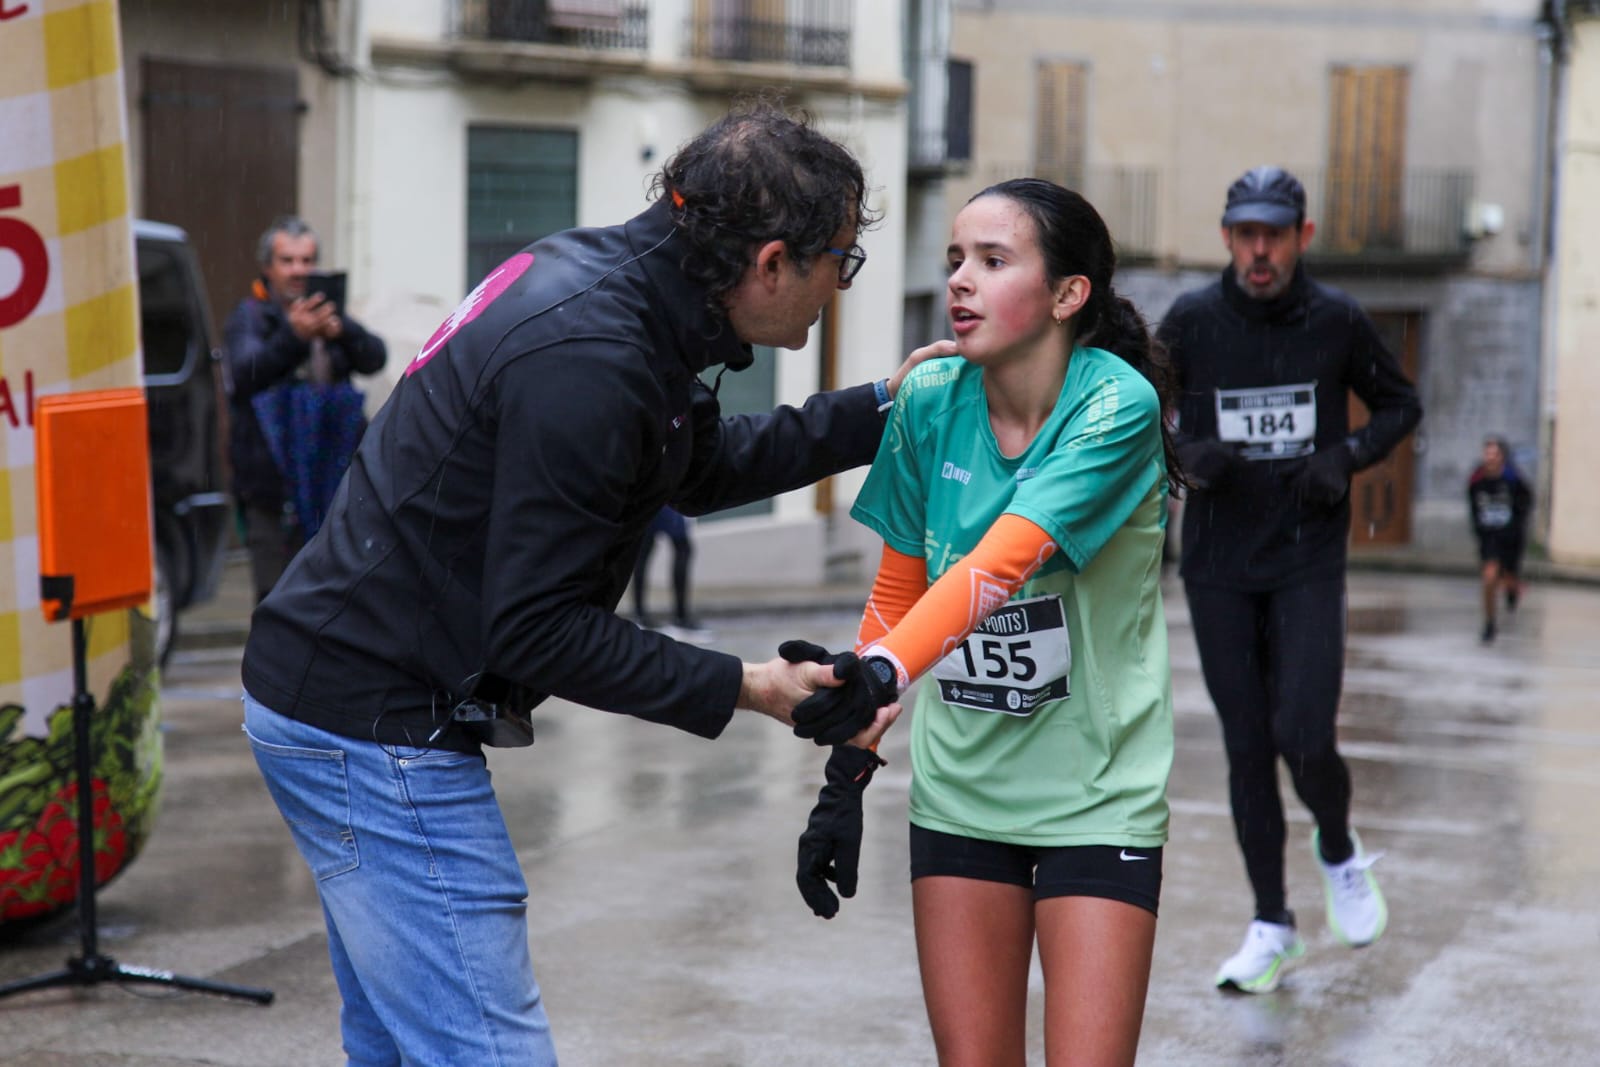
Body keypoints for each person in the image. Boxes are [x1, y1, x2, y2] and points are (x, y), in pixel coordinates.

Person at [239, 102, 920, 1066]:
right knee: (488, 1048)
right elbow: (535, 630)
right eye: (837, 263)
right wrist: (746, 684)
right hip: (373, 717)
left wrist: (885, 408)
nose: (837, 287)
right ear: (771, 262)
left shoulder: (612, 288)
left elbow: (692, 459)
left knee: (400, 1044)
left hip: (335, 686)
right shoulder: (594, 353)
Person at [786, 178, 1180, 1067]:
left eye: (993, 261)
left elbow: (1004, 559)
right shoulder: (928, 401)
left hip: (1098, 800)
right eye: (955, 259)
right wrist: (847, 770)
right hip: (962, 794)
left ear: (1068, 294)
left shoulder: (1115, 407)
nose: (960, 279)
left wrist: (886, 669)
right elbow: (895, 598)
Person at [1158, 166, 1423, 993]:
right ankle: (1271, 922)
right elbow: (1135, 407)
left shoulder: (1336, 319)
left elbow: (1399, 405)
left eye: (1275, 232)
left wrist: (1344, 456)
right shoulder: (1194, 321)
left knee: (1304, 733)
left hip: (1307, 555)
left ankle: (1338, 847)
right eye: (1247, 233)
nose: (1260, 248)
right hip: (1219, 563)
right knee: (1247, 747)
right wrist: (1182, 452)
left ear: (1302, 235)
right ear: (1228, 236)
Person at [224, 215, 387, 602]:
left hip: (332, 483)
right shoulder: (250, 317)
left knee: (331, 595)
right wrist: (293, 337)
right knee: (276, 597)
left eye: (307, 260)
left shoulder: (328, 314)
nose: (299, 271)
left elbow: (374, 358)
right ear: (268, 267)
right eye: (288, 260)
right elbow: (245, 374)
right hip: (272, 490)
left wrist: (343, 330)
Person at [1467, 435, 1532, 643]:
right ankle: (1489, 623)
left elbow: (1525, 501)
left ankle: (1513, 589)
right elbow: (1473, 507)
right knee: (1489, 577)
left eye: (1495, 454)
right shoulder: (1477, 479)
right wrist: (1479, 530)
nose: (1490, 458)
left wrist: (1516, 525)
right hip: (1489, 537)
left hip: (1511, 537)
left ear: (1502, 457)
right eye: (1487, 453)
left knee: (1509, 577)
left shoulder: (1513, 479)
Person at [632, 505, 712, 641]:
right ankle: (679, 618)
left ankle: (640, 616)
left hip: (646, 499)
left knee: (644, 550)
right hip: (663, 498)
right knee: (682, 547)